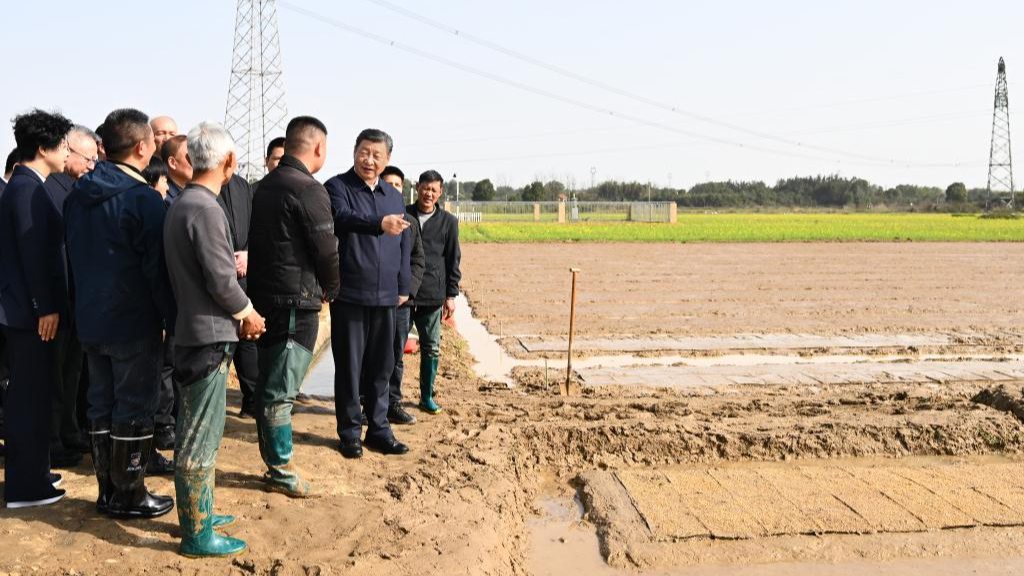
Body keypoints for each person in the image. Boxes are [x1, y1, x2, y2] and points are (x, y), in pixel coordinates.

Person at [64, 108, 176, 518]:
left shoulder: (78, 193)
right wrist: (170, 320)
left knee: (100, 403)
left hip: (91, 318)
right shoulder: (144, 200)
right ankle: (129, 493)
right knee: (133, 406)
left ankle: (107, 489)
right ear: (143, 147)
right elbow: (157, 272)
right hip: (132, 322)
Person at [165, 122, 265, 557]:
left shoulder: (186, 202)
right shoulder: (205, 209)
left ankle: (199, 513)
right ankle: (197, 534)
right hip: (206, 335)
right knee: (198, 438)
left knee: (195, 430)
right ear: (228, 162)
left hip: (193, 330)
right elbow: (222, 281)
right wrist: (249, 312)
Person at [249, 116, 340, 494]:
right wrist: (331, 289)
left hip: (267, 297)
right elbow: (326, 248)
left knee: (270, 384)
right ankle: (282, 471)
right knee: (280, 392)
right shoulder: (308, 189)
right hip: (294, 302)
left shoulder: (265, 185)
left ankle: (274, 465)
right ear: (318, 147)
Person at [0, 109, 72, 508]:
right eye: (62, 145)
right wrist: (43, 306)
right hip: (29, 316)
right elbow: (32, 254)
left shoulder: (30, 185)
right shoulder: (27, 189)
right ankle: (26, 487)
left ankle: (35, 471)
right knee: (27, 399)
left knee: (36, 394)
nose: (66, 153)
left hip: (28, 312)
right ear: (43, 148)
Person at [324, 129, 411, 458]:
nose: (369, 160)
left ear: (388, 159)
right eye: (364, 152)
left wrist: (403, 286)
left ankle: (378, 429)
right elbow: (342, 219)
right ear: (354, 152)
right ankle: (349, 433)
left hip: (387, 296)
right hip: (350, 294)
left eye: (377, 155)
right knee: (349, 367)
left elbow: (403, 244)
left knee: (382, 366)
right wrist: (378, 223)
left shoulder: (394, 194)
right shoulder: (338, 187)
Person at [43, 125, 100, 468]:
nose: (93, 165)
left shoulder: (76, 189)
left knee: (72, 373)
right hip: (58, 300)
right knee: (55, 375)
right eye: (88, 158)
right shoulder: (52, 189)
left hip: (76, 299)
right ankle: (53, 440)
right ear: (69, 151)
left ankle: (69, 431)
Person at [407, 170, 462, 414]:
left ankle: (426, 396)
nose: (428, 193)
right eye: (425, 188)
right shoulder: (404, 215)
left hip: (432, 293)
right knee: (392, 347)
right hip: (404, 293)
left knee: (431, 348)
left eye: (433, 189)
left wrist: (451, 295)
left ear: (440, 193)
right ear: (417, 187)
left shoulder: (448, 222)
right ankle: (390, 399)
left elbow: (453, 260)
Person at [380, 165, 424, 425]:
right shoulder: (370, 219)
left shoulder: (410, 223)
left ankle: (392, 403)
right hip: (373, 299)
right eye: (389, 184)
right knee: (370, 354)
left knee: (396, 355)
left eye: (398, 185)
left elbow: (418, 260)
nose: (394, 189)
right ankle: (367, 402)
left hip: (400, 303)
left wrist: (406, 291)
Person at [217, 164, 260, 418]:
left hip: (244, 275)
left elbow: (258, 227)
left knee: (247, 341)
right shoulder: (201, 187)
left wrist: (248, 255)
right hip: (217, 277)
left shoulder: (244, 186)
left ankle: (252, 400)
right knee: (221, 343)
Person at [161, 134, 191, 205]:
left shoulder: (195, 192)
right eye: (189, 156)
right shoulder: (163, 198)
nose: (196, 161)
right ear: (172, 163)